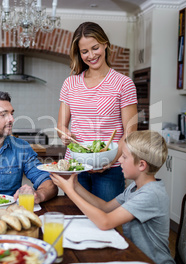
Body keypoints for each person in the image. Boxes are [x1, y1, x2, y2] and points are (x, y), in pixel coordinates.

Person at [50, 130, 176, 264]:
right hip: (136, 257)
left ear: (141, 165)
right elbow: (105, 207)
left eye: (124, 156)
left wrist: (68, 190)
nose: (119, 160)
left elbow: (105, 222)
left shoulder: (151, 194)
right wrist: (74, 184)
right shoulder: (135, 187)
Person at [57, 21, 138, 201]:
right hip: (76, 166)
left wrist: (108, 160)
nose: (91, 55)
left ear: (105, 44)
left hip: (111, 167)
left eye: (95, 48)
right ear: (79, 53)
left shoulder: (123, 84)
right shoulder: (70, 83)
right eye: (85, 51)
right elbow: (61, 125)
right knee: (75, 220)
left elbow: (130, 132)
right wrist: (64, 134)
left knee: (107, 222)